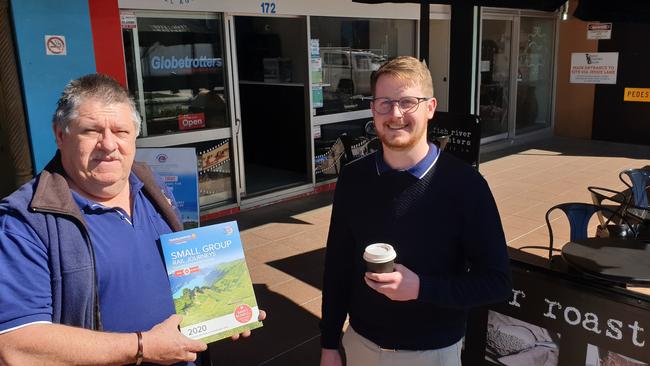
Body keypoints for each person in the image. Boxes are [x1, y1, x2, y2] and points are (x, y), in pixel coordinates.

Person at [0, 74, 264, 365]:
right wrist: (142, 347)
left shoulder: (151, 186)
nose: (109, 144)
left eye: (121, 131)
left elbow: (181, 274)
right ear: (60, 134)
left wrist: (219, 313)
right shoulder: (25, 221)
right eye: (91, 131)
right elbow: (15, 346)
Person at [319, 56, 512, 366]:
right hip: (359, 345)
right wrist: (329, 343)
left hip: (433, 353)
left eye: (408, 102)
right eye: (385, 103)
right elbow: (338, 267)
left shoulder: (466, 186)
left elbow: (497, 282)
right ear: (373, 109)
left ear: (431, 107)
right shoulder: (354, 178)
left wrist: (422, 288)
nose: (395, 114)